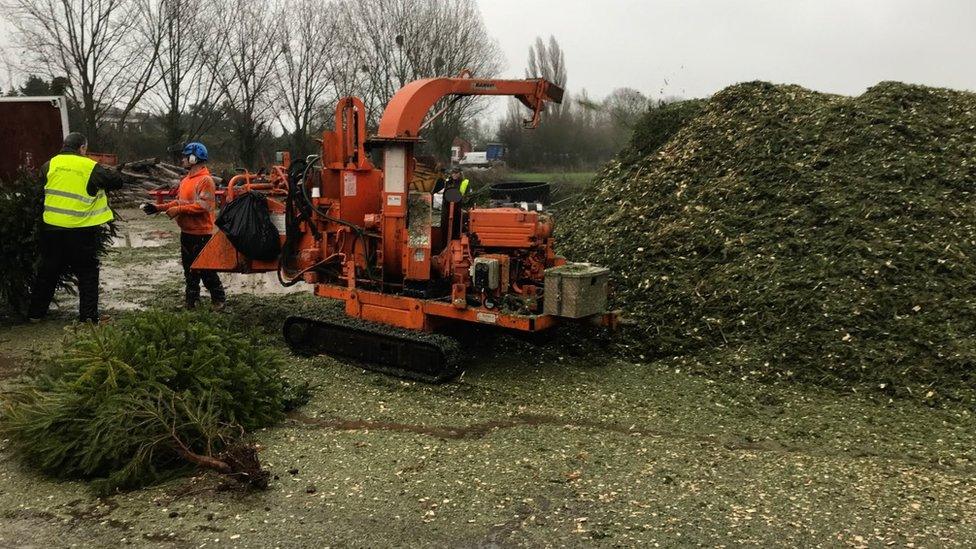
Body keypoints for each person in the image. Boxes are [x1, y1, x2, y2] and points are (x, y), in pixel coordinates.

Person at [28, 132, 128, 323]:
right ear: (82, 148)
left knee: (48, 271)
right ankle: (88, 316)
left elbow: (38, 192)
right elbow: (117, 181)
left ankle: (35, 314)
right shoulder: (89, 166)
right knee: (87, 272)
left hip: (52, 229)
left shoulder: (49, 164)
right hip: (81, 230)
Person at [142, 142, 225, 310]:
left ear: (194, 158)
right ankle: (192, 302)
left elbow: (204, 206)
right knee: (190, 271)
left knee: (206, 270)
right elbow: (180, 201)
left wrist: (178, 209)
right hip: (186, 232)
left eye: (185, 156)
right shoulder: (186, 180)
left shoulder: (205, 180)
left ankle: (219, 300)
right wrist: (158, 208)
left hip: (201, 233)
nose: (182, 160)